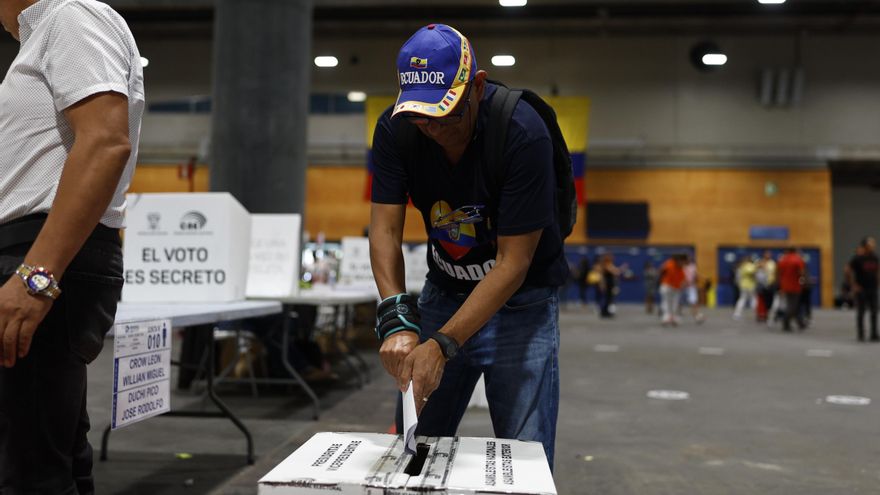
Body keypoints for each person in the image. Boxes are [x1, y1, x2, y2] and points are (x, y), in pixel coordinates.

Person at [368, 24, 566, 467]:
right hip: (444, 293)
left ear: (477, 87)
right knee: (413, 451)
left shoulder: (522, 132)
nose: (434, 130)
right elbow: (384, 231)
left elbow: (514, 262)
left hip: (523, 307)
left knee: (524, 457)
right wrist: (396, 315)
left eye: (446, 115)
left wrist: (441, 344)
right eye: (422, 118)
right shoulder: (397, 130)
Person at [0, 0, 144, 492]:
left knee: (29, 469)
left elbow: (106, 141)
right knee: (46, 452)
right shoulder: (48, 31)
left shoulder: (70, 16)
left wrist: (36, 277)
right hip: (43, 251)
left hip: (41, 253)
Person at [848, 237, 879, 342]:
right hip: (861, 289)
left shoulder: (875, 257)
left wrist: (878, 281)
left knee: (874, 312)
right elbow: (849, 271)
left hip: (873, 288)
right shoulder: (858, 259)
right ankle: (861, 334)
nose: (874, 245)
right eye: (871, 244)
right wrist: (854, 285)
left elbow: (877, 271)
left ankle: (874, 334)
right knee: (861, 312)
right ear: (865, 246)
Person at [777, 247, 806, 332]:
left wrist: (779, 284)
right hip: (795, 286)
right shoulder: (797, 259)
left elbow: (778, 273)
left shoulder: (782, 260)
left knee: (794, 304)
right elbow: (801, 273)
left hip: (785, 286)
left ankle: (800, 322)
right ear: (795, 251)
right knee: (792, 305)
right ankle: (785, 322)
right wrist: (803, 282)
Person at [658, 254, 685, 326]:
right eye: (682, 262)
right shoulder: (669, 264)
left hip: (676, 287)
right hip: (666, 285)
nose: (683, 264)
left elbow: (683, 279)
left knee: (675, 303)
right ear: (678, 260)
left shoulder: (681, 269)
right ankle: (666, 318)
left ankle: (673, 318)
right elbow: (661, 270)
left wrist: (683, 285)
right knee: (666, 302)